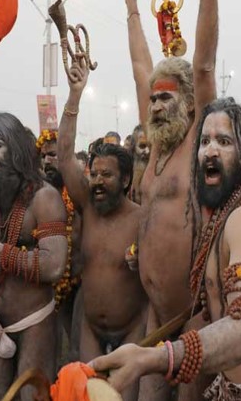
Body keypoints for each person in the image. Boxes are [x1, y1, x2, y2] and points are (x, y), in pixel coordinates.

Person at [91, 99, 241, 400]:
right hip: (229, 388)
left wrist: (156, 358)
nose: (210, 150)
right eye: (204, 141)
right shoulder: (223, 214)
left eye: (224, 141)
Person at [121, 0, 223, 399]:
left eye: (165, 98)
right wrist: (131, 6)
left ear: (186, 100)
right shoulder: (158, 143)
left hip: (197, 316)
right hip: (154, 313)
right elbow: (141, 63)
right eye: (152, 100)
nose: (156, 105)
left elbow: (202, 65)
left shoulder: (201, 136)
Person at [58, 57, 147, 401]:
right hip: (91, 329)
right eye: (94, 174)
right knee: (85, 396)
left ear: (125, 179)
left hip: (133, 328)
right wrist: (74, 95)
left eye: (106, 175)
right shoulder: (88, 207)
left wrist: (142, 262)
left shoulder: (142, 218)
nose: (96, 181)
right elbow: (65, 157)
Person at [0, 112, 69, 401]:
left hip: (36, 321)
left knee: (31, 397)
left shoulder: (44, 198)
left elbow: (54, 266)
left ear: (16, 146)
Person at [37, 128, 82, 362]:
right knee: (53, 347)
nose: (47, 161)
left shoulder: (79, 190)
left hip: (81, 282)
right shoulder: (40, 195)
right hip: (51, 285)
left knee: (78, 347)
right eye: (44, 156)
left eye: (53, 155)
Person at [128, 124, 150, 204]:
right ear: (134, 147)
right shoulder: (128, 172)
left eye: (150, 146)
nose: (147, 151)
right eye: (142, 146)